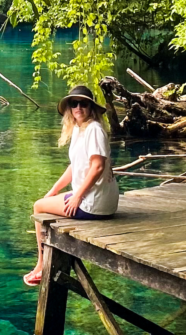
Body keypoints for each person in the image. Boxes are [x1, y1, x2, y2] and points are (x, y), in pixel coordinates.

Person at [23, 85, 119, 286]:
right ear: (69, 108)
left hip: (94, 205)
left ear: (91, 107)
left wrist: (76, 197)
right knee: (45, 201)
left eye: (83, 103)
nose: (78, 108)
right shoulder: (79, 129)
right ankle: (42, 262)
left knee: (38, 207)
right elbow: (74, 167)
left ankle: (41, 265)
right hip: (98, 201)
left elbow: (97, 167)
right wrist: (54, 190)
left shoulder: (93, 129)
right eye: (74, 104)